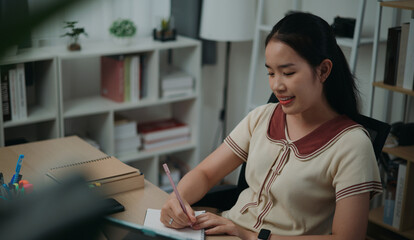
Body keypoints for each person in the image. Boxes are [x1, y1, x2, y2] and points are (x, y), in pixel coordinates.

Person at [160, 12, 382, 240]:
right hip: (226, 232)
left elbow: (348, 238)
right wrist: (176, 199)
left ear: (323, 70)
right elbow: (206, 173)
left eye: (288, 73)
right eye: (270, 72)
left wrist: (248, 235)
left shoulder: (352, 144)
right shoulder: (261, 117)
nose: (276, 85)